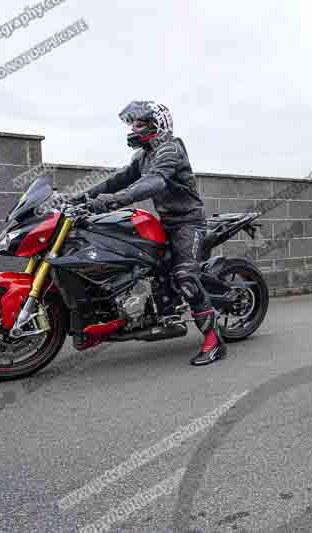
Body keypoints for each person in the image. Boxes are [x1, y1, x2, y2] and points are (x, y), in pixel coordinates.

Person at [70, 101, 226, 366]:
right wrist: (77, 198)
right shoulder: (142, 157)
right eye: (132, 123)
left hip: (187, 223)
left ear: (158, 126)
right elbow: (116, 180)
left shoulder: (170, 149)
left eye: (139, 124)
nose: (133, 128)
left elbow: (155, 181)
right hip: (164, 222)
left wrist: (111, 200)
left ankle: (214, 340)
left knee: (185, 275)